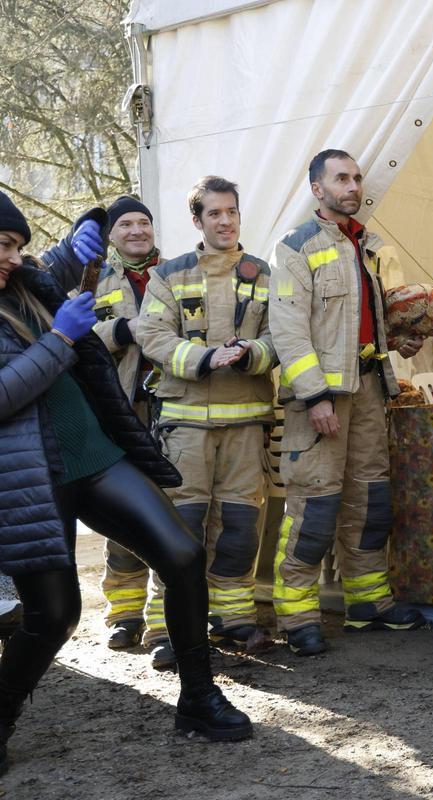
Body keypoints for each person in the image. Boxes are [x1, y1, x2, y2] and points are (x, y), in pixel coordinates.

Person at [0, 191, 252, 772]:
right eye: (4, 246)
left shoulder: (22, 281)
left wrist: (89, 228)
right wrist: (60, 339)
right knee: (54, 616)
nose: (14, 257)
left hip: (94, 455)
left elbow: (57, 265)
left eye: (18, 245)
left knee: (183, 555)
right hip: (30, 478)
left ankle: (198, 699)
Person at [269, 150, 425, 656]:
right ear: (317, 189)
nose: (353, 186)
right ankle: (296, 617)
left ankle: (368, 601)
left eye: (356, 178)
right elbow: (289, 332)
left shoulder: (371, 246)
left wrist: (400, 338)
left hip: (369, 391)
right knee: (315, 506)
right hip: (323, 400)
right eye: (341, 178)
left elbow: (369, 318)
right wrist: (314, 395)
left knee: (370, 501)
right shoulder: (294, 248)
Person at [135, 177, 276, 668]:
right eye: (214, 213)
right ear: (197, 221)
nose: (225, 221)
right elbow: (149, 333)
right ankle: (165, 627)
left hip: (246, 424)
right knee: (181, 528)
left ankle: (234, 618)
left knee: (240, 527)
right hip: (186, 427)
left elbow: (285, 335)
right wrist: (203, 357)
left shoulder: (265, 275)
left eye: (231, 212)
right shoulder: (169, 274)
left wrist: (252, 353)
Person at [41, 196, 162, 651]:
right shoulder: (91, 279)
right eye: (125, 224)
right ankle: (124, 612)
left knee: (167, 508)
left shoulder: (174, 272)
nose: (136, 231)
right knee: (123, 514)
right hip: (120, 408)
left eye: (144, 223)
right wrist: (121, 332)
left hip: (171, 407)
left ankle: (161, 615)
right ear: (110, 235)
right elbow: (71, 335)